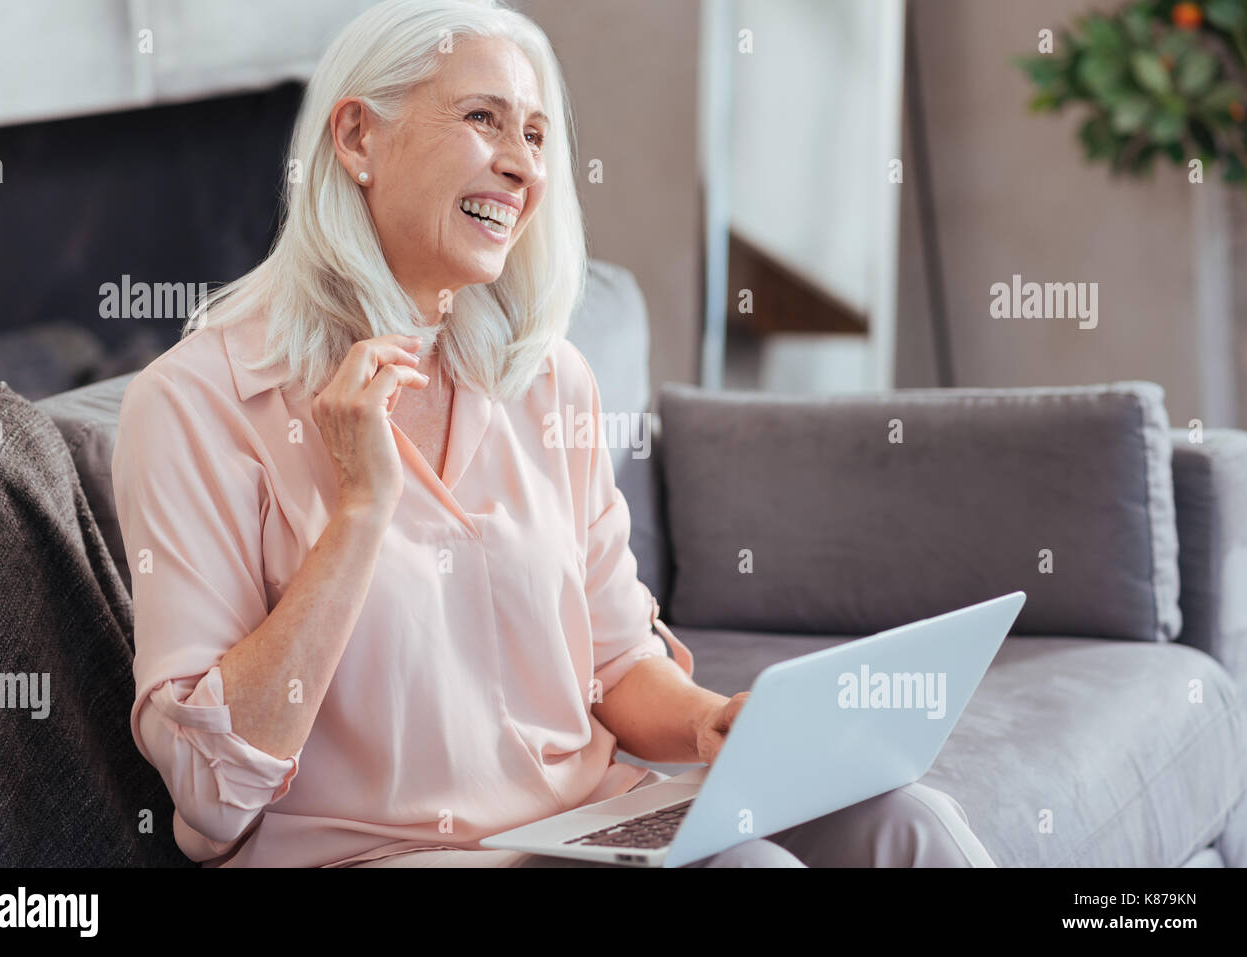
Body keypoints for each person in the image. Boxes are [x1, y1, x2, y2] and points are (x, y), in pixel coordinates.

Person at [111, 0, 995, 868]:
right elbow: (209, 791)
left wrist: (704, 722)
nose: (522, 166)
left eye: (536, 135)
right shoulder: (197, 404)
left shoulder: (547, 380)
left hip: (581, 827)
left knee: (905, 824)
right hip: (383, 854)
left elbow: (614, 659)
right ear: (355, 139)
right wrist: (359, 513)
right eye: (482, 118)